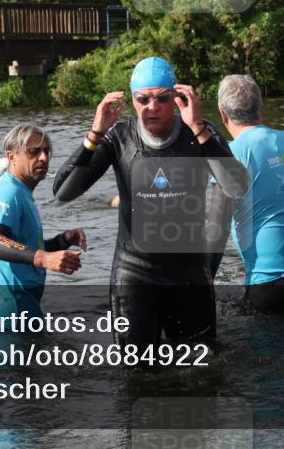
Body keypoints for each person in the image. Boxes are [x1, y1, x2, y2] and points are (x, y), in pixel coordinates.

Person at [53, 57, 248, 349]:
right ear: (133, 101)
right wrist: (94, 134)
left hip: (189, 272)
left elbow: (237, 186)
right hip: (134, 273)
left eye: (162, 98)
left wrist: (197, 127)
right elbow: (63, 193)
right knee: (135, 374)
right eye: (143, 99)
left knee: (202, 373)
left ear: (177, 99)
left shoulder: (198, 133)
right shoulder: (118, 138)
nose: (152, 107)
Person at [209, 74, 284, 313]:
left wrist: (202, 285)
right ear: (261, 107)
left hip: (269, 281)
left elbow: (217, 229)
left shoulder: (229, 155)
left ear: (222, 113)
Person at [0, 124, 87, 321]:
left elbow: (24, 248)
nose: (44, 158)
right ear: (12, 157)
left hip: (22, 309)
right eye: (33, 152)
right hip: (6, 316)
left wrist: (62, 241)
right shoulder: (8, 191)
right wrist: (45, 259)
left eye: (46, 151)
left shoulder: (22, 192)